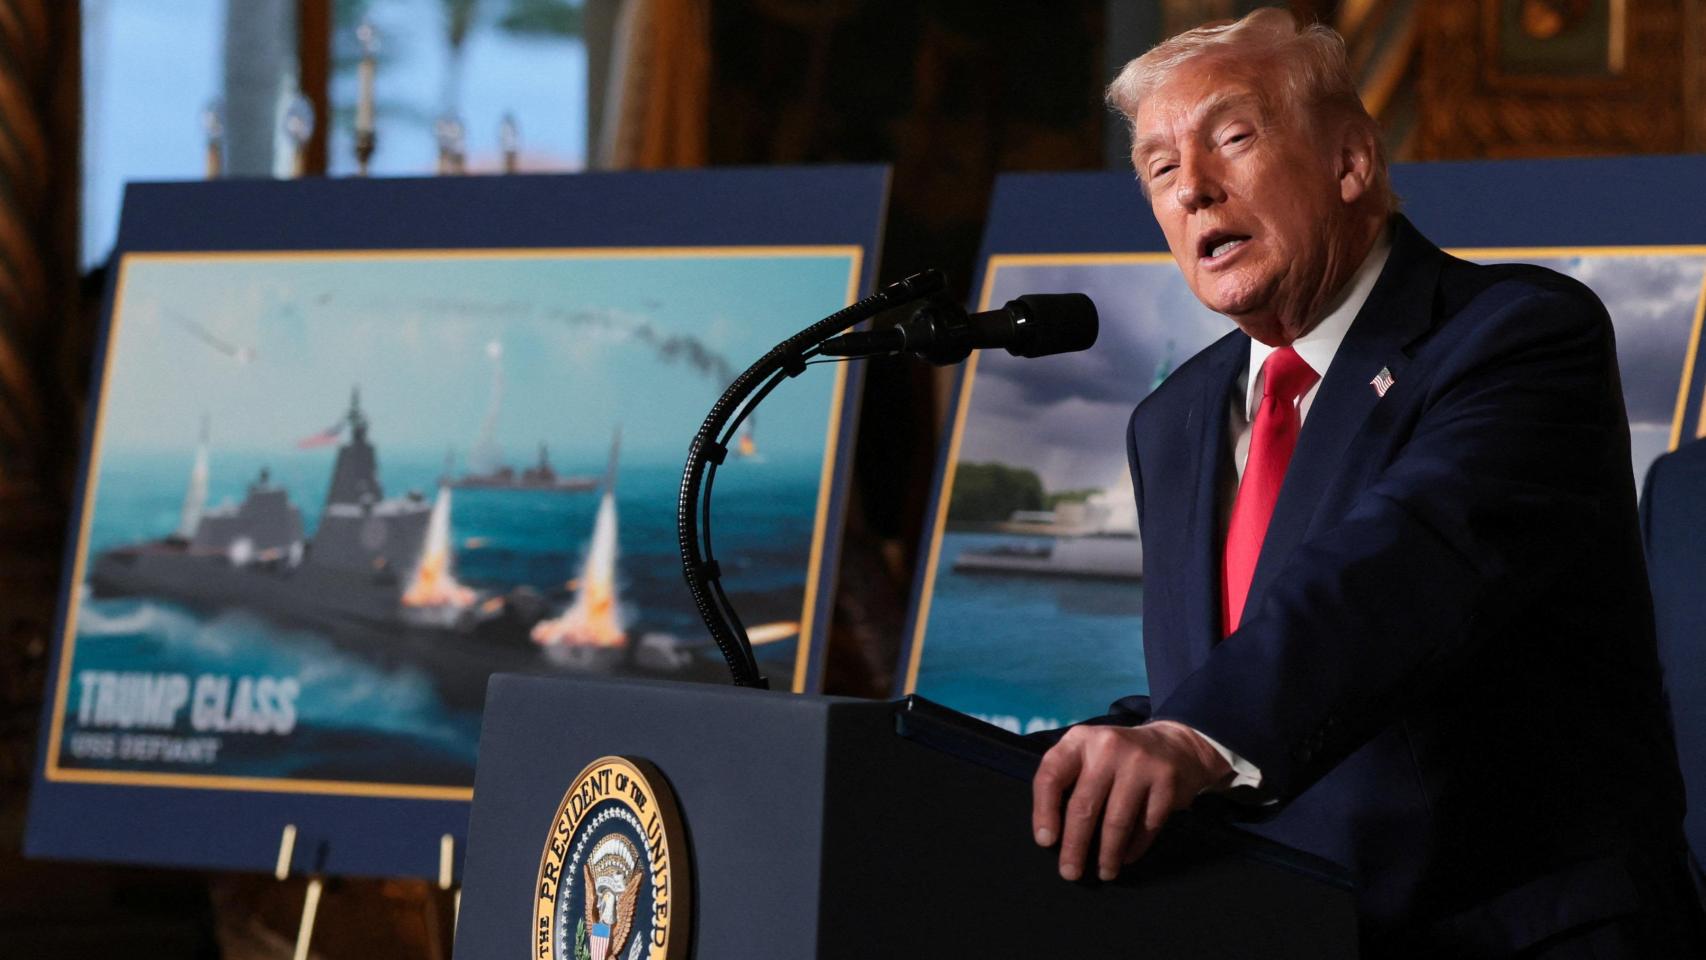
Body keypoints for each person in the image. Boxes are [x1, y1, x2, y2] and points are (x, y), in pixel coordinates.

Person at [1028, 9, 1704, 957]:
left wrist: (1187, 740)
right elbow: (1219, 671)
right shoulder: (1173, 420)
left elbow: (1406, 566)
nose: (1193, 190)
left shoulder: (1515, 334)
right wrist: (1077, 766)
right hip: (1294, 931)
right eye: (1159, 169)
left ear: (1351, 163)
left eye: (1231, 138)